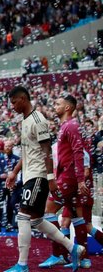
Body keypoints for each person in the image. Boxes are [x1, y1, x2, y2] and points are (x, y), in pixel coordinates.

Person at [4, 87, 84, 272]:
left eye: (15, 102)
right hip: (30, 175)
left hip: (38, 175)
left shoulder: (38, 120)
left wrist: (50, 179)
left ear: (23, 99)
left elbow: (47, 151)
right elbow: (27, 151)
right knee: (36, 220)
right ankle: (74, 248)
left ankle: (22, 265)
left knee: (23, 216)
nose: (13, 106)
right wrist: (15, 172)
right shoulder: (25, 121)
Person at [38, 95, 90, 269]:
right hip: (70, 177)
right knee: (76, 216)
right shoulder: (67, 126)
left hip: (68, 177)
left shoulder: (71, 126)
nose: (54, 106)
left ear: (67, 107)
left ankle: (58, 254)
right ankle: (84, 258)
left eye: (57, 103)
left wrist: (80, 179)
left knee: (48, 211)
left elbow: (78, 152)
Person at [0, 140, 21, 232]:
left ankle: (9, 224)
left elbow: (20, 173)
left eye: (9, 146)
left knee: (10, 205)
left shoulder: (17, 159)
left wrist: (16, 182)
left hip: (13, 186)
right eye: (6, 146)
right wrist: (0, 175)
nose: (8, 148)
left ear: (12, 147)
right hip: (1, 185)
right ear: (3, 147)